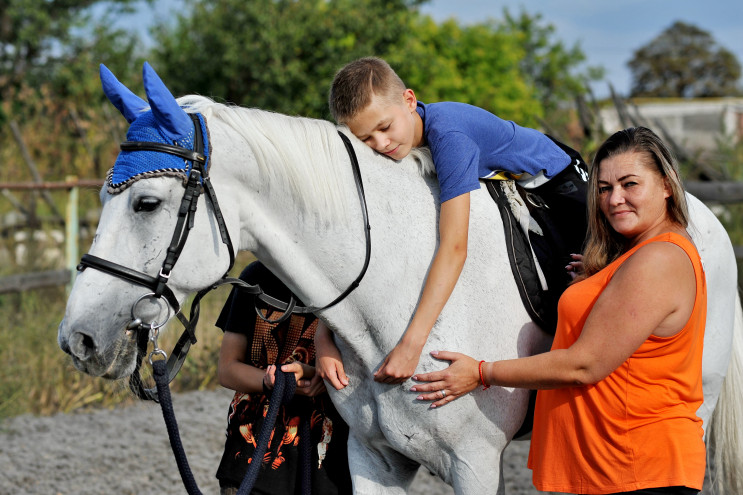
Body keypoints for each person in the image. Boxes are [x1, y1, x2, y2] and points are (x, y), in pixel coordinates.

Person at [411, 126, 707, 494]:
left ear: (666, 184)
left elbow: (583, 365)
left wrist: (482, 372)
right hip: (613, 467)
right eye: (603, 188)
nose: (615, 199)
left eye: (630, 184)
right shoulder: (634, 257)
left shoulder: (658, 259)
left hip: (637, 467)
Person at [322, 56, 588, 385]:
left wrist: (411, 344)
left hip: (557, 180)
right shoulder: (401, 135)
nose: (381, 144)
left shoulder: (449, 136)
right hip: (507, 180)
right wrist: (325, 336)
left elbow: (455, 246)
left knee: (589, 278)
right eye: (366, 139)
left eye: (385, 127)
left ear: (409, 100)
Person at [215, 261, 352, 495]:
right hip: (250, 455)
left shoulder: (349, 282)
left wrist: (312, 374)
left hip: (327, 462)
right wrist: (271, 381)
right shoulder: (256, 276)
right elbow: (227, 369)